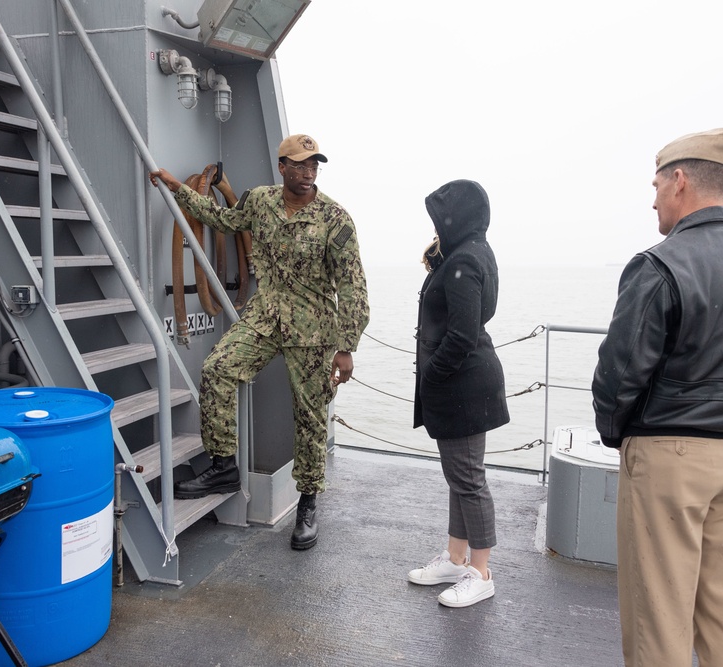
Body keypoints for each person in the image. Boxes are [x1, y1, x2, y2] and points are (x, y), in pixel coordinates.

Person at [592, 127, 723, 666]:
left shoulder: (660, 265)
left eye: (657, 183)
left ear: (680, 181)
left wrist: (620, 435)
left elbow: (618, 377)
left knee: (658, 625)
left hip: (672, 462)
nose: (654, 197)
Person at [149, 134, 369, 550]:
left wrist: (346, 346)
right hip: (265, 316)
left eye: (314, 166)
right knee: (217, 369)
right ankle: (223, 465)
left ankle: (307, 501)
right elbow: (224, 221)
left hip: (314, 328)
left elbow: (353, 287)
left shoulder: (335, 219)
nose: (308, 174)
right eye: (300, 165)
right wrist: (179, 188)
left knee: (309, 415)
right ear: (282, 165)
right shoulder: (260, 201)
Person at [408, 179, 510, 608]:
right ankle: (455, 558)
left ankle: (480, 572)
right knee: (459, 477)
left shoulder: (465, 260)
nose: (437, 224)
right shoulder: (471, 252)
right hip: (465, 382)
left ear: (461, 215)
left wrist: (432, 375)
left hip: (463, 384)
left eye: (442, 216)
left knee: (469, 481)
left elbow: (463, 334)